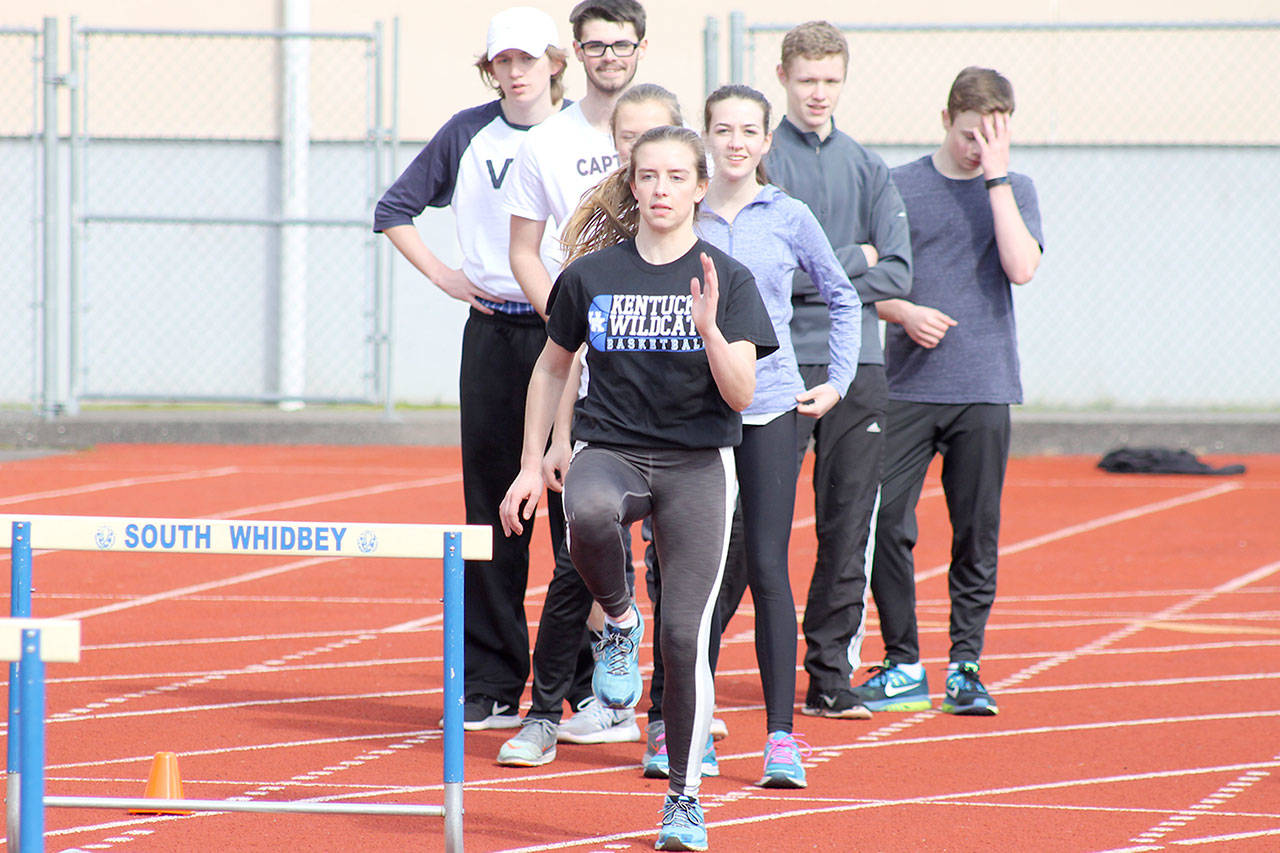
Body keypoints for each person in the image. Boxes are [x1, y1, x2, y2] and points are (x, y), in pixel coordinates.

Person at [500, 125, 777, 852]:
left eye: (675, 177)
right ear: (632, 184)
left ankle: (684, 799)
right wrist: (534, 460)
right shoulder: (591, 275)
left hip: (696, 462)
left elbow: (743, 393)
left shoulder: (728, 277)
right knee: (584, 510)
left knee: (686, 638)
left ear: (697, 187)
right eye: (647, 176)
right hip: (612, 448)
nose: (660, 189)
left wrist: (712, 331)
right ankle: (621, 620)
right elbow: (553, 368)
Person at [371, 7, 568, 731]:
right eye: (500, 63)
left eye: (526, 59)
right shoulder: (466, 133)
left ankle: (576, 679)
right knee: (490, 511)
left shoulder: (583, 133)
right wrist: (447, 276)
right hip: (492, 337)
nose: (515, 73)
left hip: (569, 342)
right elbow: (393, 209)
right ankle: (489, 680)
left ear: (554, 60)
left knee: (575, 502)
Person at [497, 83, 685, 767]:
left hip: (686, 437)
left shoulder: (704, 223)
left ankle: (672, 715)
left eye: (654, 134)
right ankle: (545, 713)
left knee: (682, 576)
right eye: (627, 138)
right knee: (575, 566)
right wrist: (550, 445)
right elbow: (568, 350)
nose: (639, 148)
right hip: (605, 432)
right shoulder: (594, 229)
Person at [856, 66, 1043, 716]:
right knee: (885, 523)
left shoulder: (1014, 187)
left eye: (990, 137)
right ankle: (903, 660)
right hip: (907, 387)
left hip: (984, 386)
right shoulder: (898, 186)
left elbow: (1021, 268)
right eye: (969, 136)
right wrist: (903, 312)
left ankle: (966, 664)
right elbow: (860, 283)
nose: (977, 147)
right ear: (945, 120)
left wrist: (994, 177)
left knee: (976, 531)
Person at [697, 84, 862, 787]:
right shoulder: (683, 212)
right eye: (724, 129)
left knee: (767, 565)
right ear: (706, 136)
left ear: (768, 143)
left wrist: (838, 380)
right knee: (697, 578)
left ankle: (780, 739)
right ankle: (685, 725)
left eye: (749, 131)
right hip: (694, 419)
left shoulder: (788, 215)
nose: (736, 141)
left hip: (768, 408)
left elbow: (843, 294)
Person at [760, 20, 913, 720]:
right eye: (806, 80)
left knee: (848, 525)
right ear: (784, 79)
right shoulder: (763, 164)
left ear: (842, 82)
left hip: (860, 366)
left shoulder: (868, 166)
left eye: (830, 80)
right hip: (775, 364)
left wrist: (814, 267)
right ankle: (693, 675)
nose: (818, 93)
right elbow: (759, 270)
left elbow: (900, 271)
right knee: (750, 524)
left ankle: (828, 676)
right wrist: (852, 259)